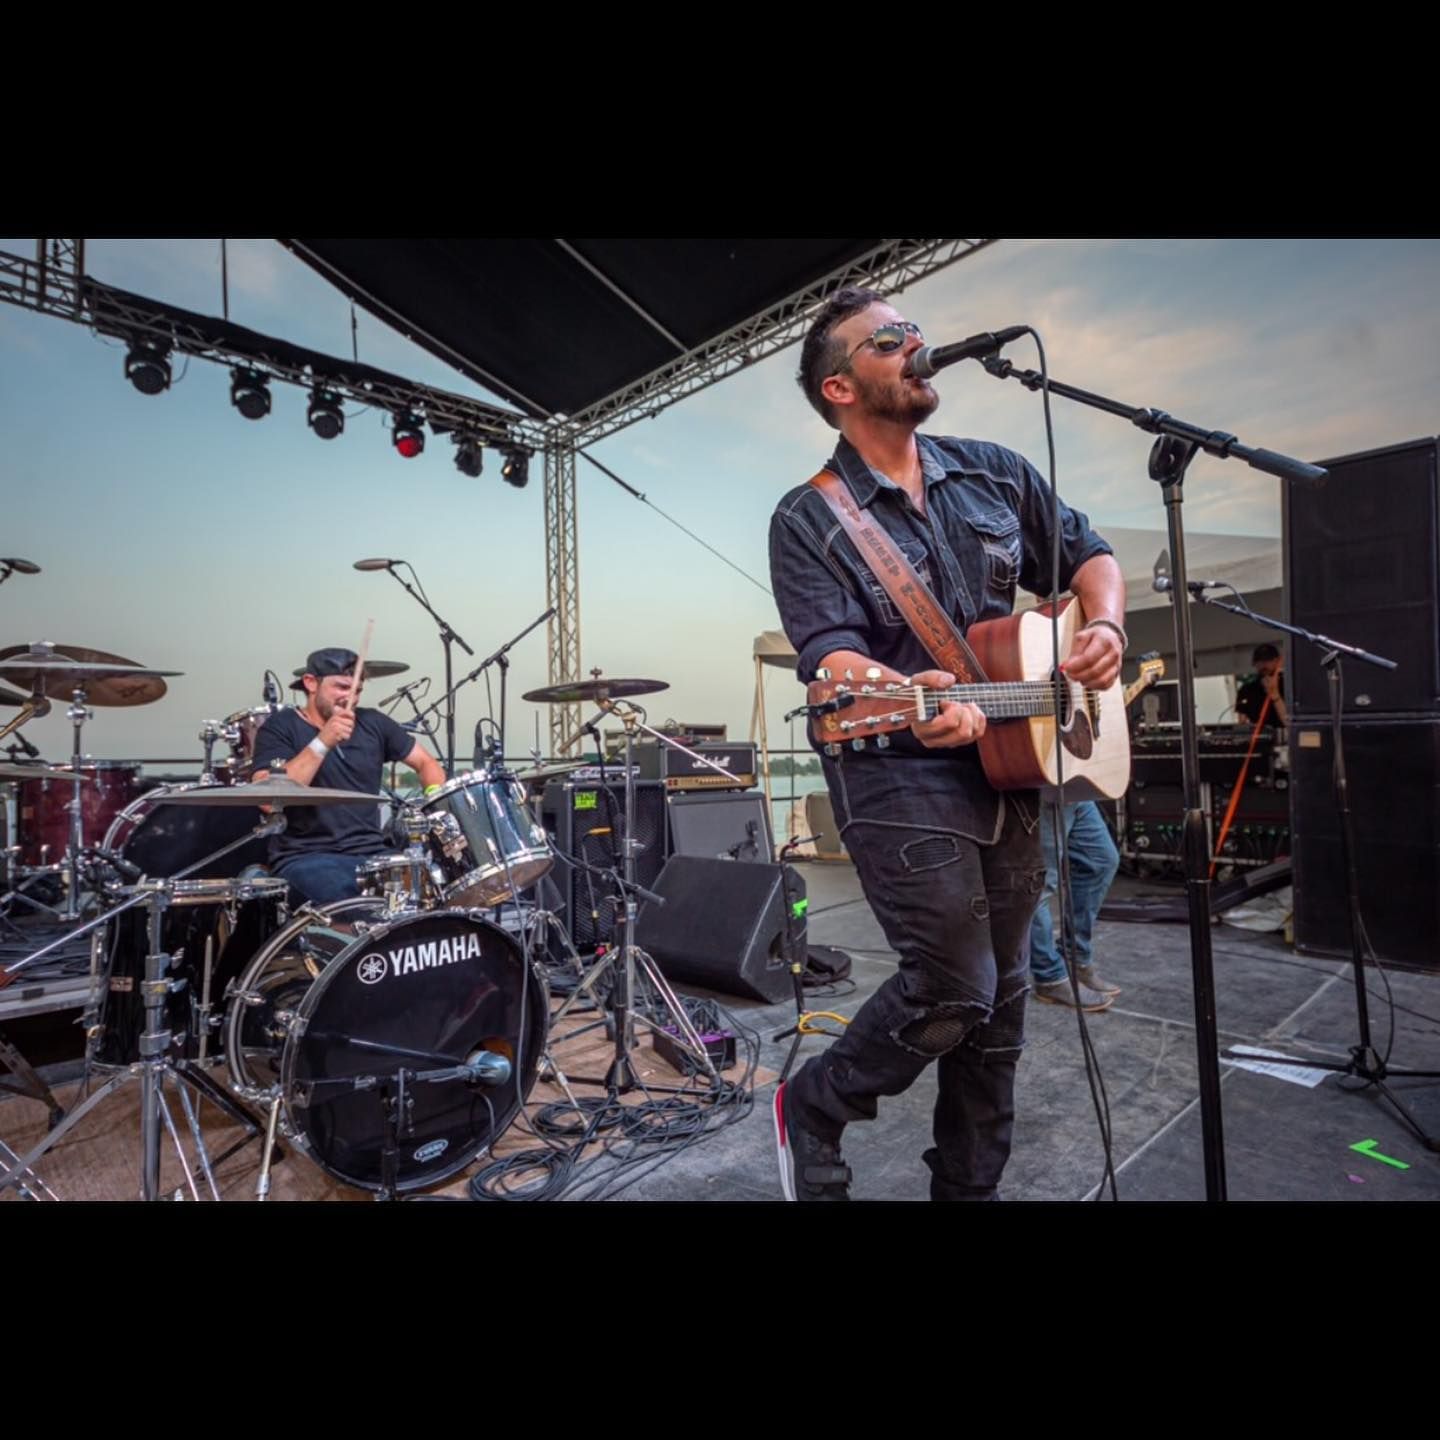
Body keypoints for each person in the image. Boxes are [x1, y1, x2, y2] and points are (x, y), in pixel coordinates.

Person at [769, 288, 1126, 1201]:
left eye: (914, 331)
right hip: (897, 767)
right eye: (890, 339)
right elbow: (830, 660)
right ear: (840, 386)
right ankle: (816, 1103)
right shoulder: (809, 517)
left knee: (1003, 1013)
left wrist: (1106, 626)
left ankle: (969, 1190)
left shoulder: (994, 473)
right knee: (957, 985)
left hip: (1009, 766)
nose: (916, 344)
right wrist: (909, 695)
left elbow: (1090, 555)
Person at [249, 647, 446, 904]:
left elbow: (426, 762)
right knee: (348, 900)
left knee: (430, 892)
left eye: (357, 690)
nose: (350, 698)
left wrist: (434, 800)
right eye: (341, 687)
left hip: (373, 853)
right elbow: (267, 800)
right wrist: (323, 742)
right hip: (307, 857)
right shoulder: (281, 726)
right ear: (311, 683)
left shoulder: (373, 722)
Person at [1028, 798, 1121, 1011]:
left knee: (1101, 861)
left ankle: (1075, 959)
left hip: (1079, 789)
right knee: (1040, 882)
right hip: (1044, 790)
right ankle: (1049, 977)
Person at [1235, 642, 1287, 731]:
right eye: (1259, 661)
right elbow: (1242, 722)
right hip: (1258, 736)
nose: (1263, 664)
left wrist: (1275, 696)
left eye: (1268, 660)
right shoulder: (1246, 689)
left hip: (1284, 735)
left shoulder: (1289, 686)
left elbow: (1290, 723)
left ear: (1277, 661)